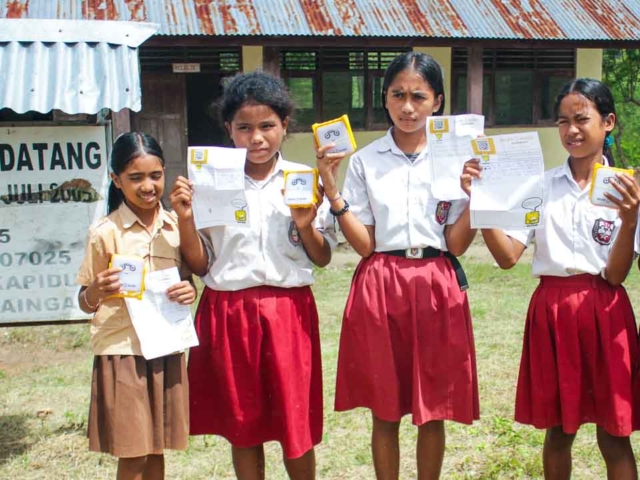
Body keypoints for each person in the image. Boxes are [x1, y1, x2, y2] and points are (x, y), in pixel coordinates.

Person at [461, 78, 640, 479]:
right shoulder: (540, 186)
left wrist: (629, 221)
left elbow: (615, 274)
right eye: (563, 121)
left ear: (608, 122)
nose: (571, 130)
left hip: (605, 312)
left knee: (615, 435)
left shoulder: (627, 190)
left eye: (582, 119)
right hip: (553, 313)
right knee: (558, 432)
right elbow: (507, 257)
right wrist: (481, 202)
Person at [316, 51, 479, 480]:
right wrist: (334, 194)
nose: (408, 107)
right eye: (398, 95)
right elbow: (366, 245)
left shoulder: (456, 160)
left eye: (419, 97)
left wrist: (477, 196)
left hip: (436, 282)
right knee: (384, 408)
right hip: (381, 283)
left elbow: (456, 245)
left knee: (433, 410)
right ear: (385, 99)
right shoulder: (367, 160)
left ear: (438, 102)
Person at [170, 71, 336, 480]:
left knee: (295, 426)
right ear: (229, 129)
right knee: (243, 427)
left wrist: (305, 224)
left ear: (284, 126)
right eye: (244, 127)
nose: (256, 137)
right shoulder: (209, 182)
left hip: (288, 312)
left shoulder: (302, 180)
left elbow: (322, 256)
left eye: (267, 126)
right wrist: (187, 220)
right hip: (229, 312)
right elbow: (202, 264)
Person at [76, 132, 196, 480]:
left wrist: (189, 291)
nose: (148, 186)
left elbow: (189, 279)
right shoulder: (104, 233)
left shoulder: (175, 226)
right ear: (116, 180)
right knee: (133, 453)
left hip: (165, 347)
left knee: (156, 447)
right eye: (135, 178)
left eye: (155, 176)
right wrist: (96, 289)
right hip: (123, 350)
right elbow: (85, 301)